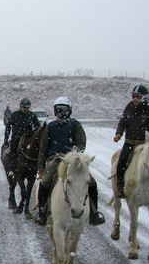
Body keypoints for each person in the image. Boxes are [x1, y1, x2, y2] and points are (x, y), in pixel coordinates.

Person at [35, 96, 105, 227]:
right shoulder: (50, 126)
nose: (61, 112)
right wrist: (41, 166)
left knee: (92, 183)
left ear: (69, 110)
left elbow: (81, 144)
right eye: (58, 109)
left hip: (73, 161)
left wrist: (73, 153)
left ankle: (94, 213)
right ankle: (42, 212)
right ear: (55, 111)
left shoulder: (76, 125)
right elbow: (43, 149)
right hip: (55, 160)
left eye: (64, 109)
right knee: (45, 183)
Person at [114, 84, 149, 198]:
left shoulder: (148, 109)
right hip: (129, 143)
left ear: (143, 97)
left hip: (143, 143)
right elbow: (122, 122)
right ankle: (120, 186)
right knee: (121, 162)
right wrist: (118, 133)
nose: (135, 99)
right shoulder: (128, 107)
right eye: (134, 96)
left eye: (138, 97)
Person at [4, 98, 40, 173]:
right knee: (13, 150)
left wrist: (33, 133)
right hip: (16, 137)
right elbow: (8, 127)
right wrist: (6, 139)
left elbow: (37, 127)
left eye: (27, 108)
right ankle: (11, 168)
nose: (25, 109)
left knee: (36, 150)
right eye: (23, 107)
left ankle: (37, 168)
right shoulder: (14, 115)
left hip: (28, 137)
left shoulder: (32, 115)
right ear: (20, 106)